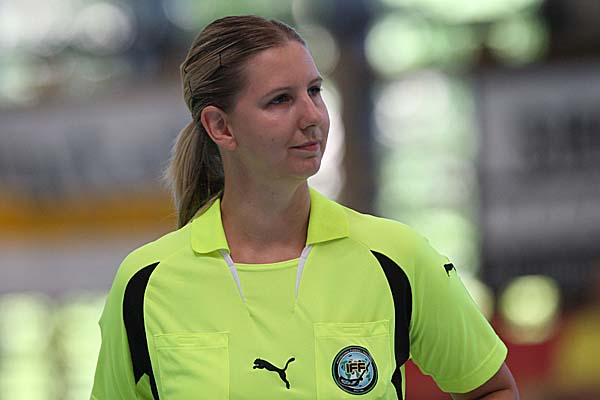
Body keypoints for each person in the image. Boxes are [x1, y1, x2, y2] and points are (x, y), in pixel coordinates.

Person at [90, 15, 519, 400]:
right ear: (220, 126)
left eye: (314, 91)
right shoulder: (146, 283)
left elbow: (492, 389)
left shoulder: (396, 258)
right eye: (280, 99)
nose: (312, 116)